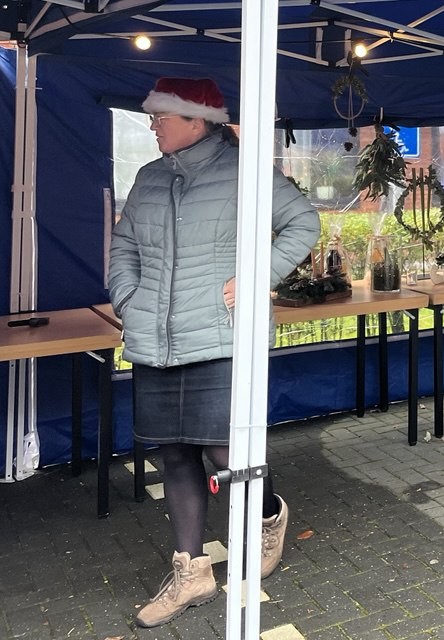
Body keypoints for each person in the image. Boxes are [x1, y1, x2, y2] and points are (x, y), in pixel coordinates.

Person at [108, 77, 320, 628]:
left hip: (221, 335)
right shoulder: (149, 177)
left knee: (227, 454)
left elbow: (302, 223)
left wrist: (256, 278)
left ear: (196, 120)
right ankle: (191, 573)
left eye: (162, 117)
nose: (152, 125)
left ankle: (268, 517)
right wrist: (128, 298)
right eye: (153, 117)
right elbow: (124, 246)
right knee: (174, 453)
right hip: (156, 338)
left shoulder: (246, 171)